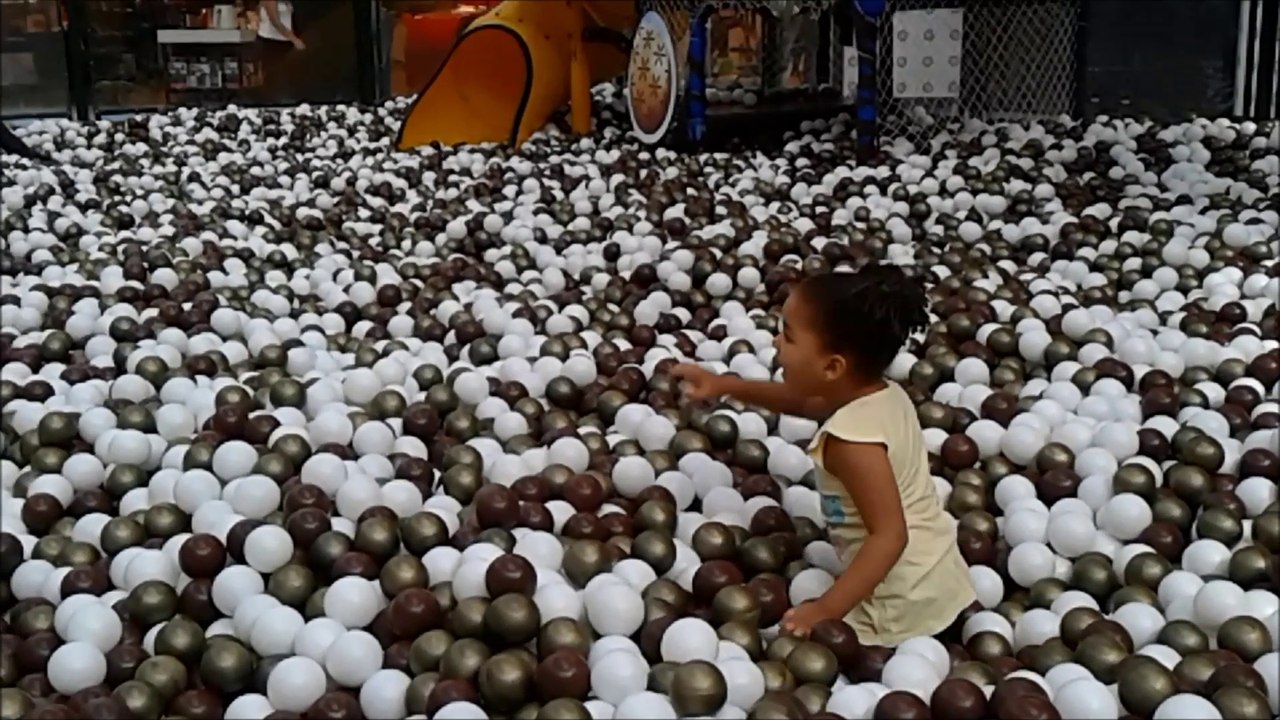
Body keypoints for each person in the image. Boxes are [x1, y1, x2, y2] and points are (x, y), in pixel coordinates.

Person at [671, 263, 976, 647]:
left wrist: (825, 609)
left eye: (789, 337)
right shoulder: (881, 395)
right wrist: (726, 385)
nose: (776, 343)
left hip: (900, 601)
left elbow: (890, 536)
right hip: (937, 575)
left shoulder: (852, 442)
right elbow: (804, 400)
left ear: (832, 367)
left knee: (790, 650)